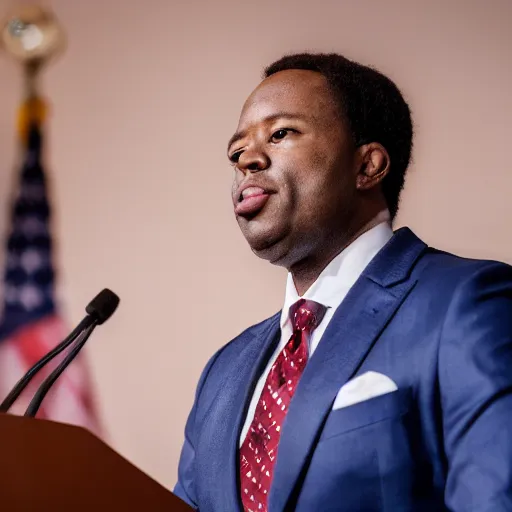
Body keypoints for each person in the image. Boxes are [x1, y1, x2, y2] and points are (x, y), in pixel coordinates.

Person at [173, 52, 512, 512]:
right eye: (236, 153)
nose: (247, 160)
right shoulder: (222, 372)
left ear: (368, 165)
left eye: (280, 133)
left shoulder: (467, 302)